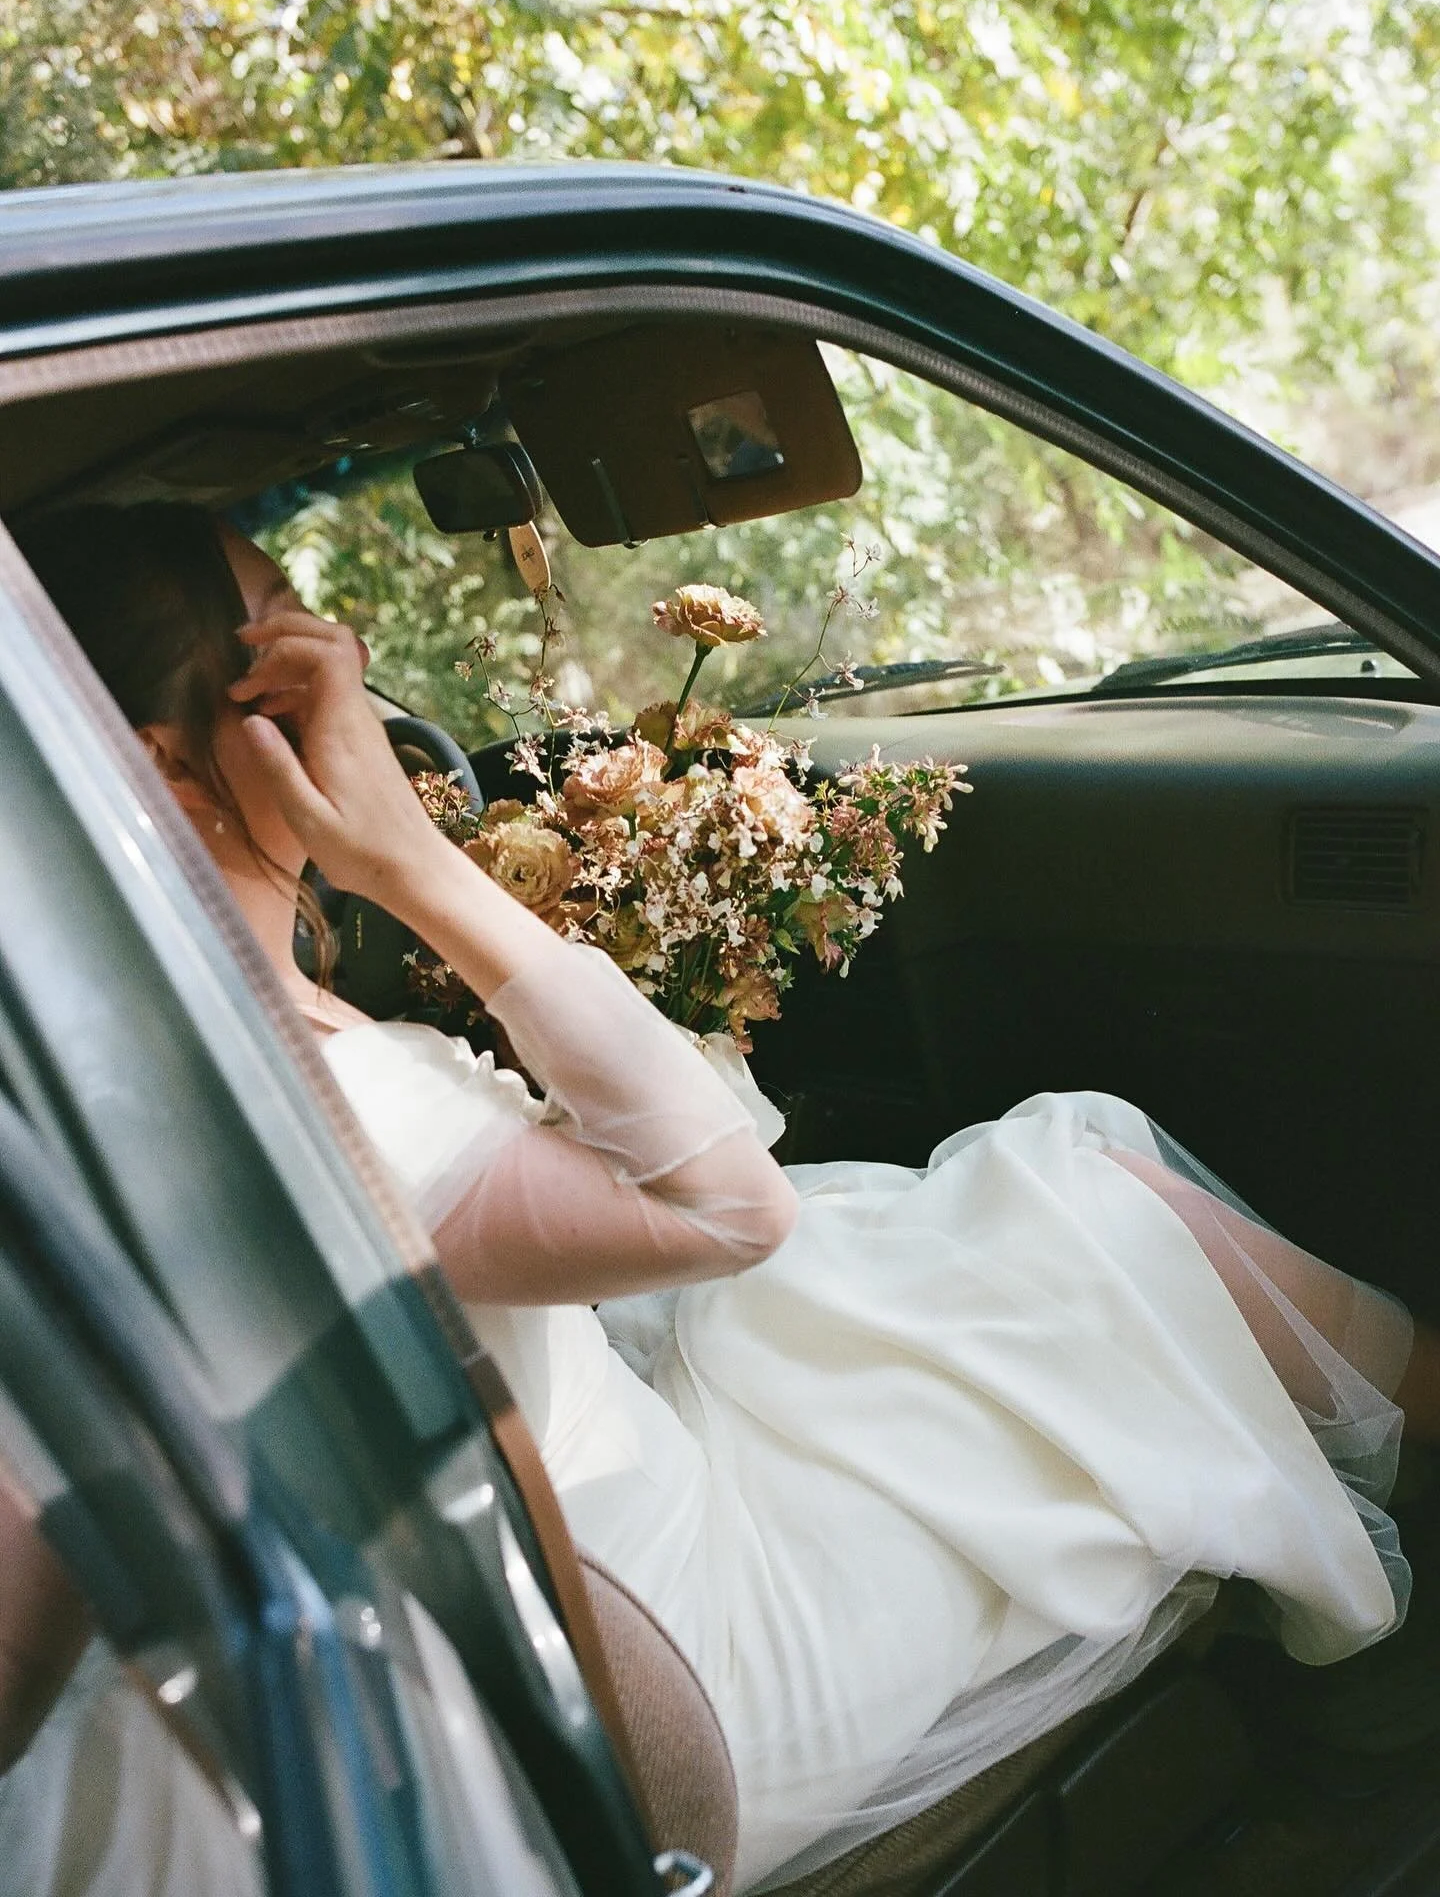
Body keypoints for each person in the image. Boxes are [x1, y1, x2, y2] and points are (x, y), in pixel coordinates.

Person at [4, 501, 1435, 1894]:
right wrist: (414, 860)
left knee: (1038, 1198)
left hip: (605, 1519)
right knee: (1094, 1202)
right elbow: (730, 1210)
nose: (351, 660)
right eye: (289, 652)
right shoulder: (294, 1107)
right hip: (686, 1654)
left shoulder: (118, 1074)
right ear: (167, 767)